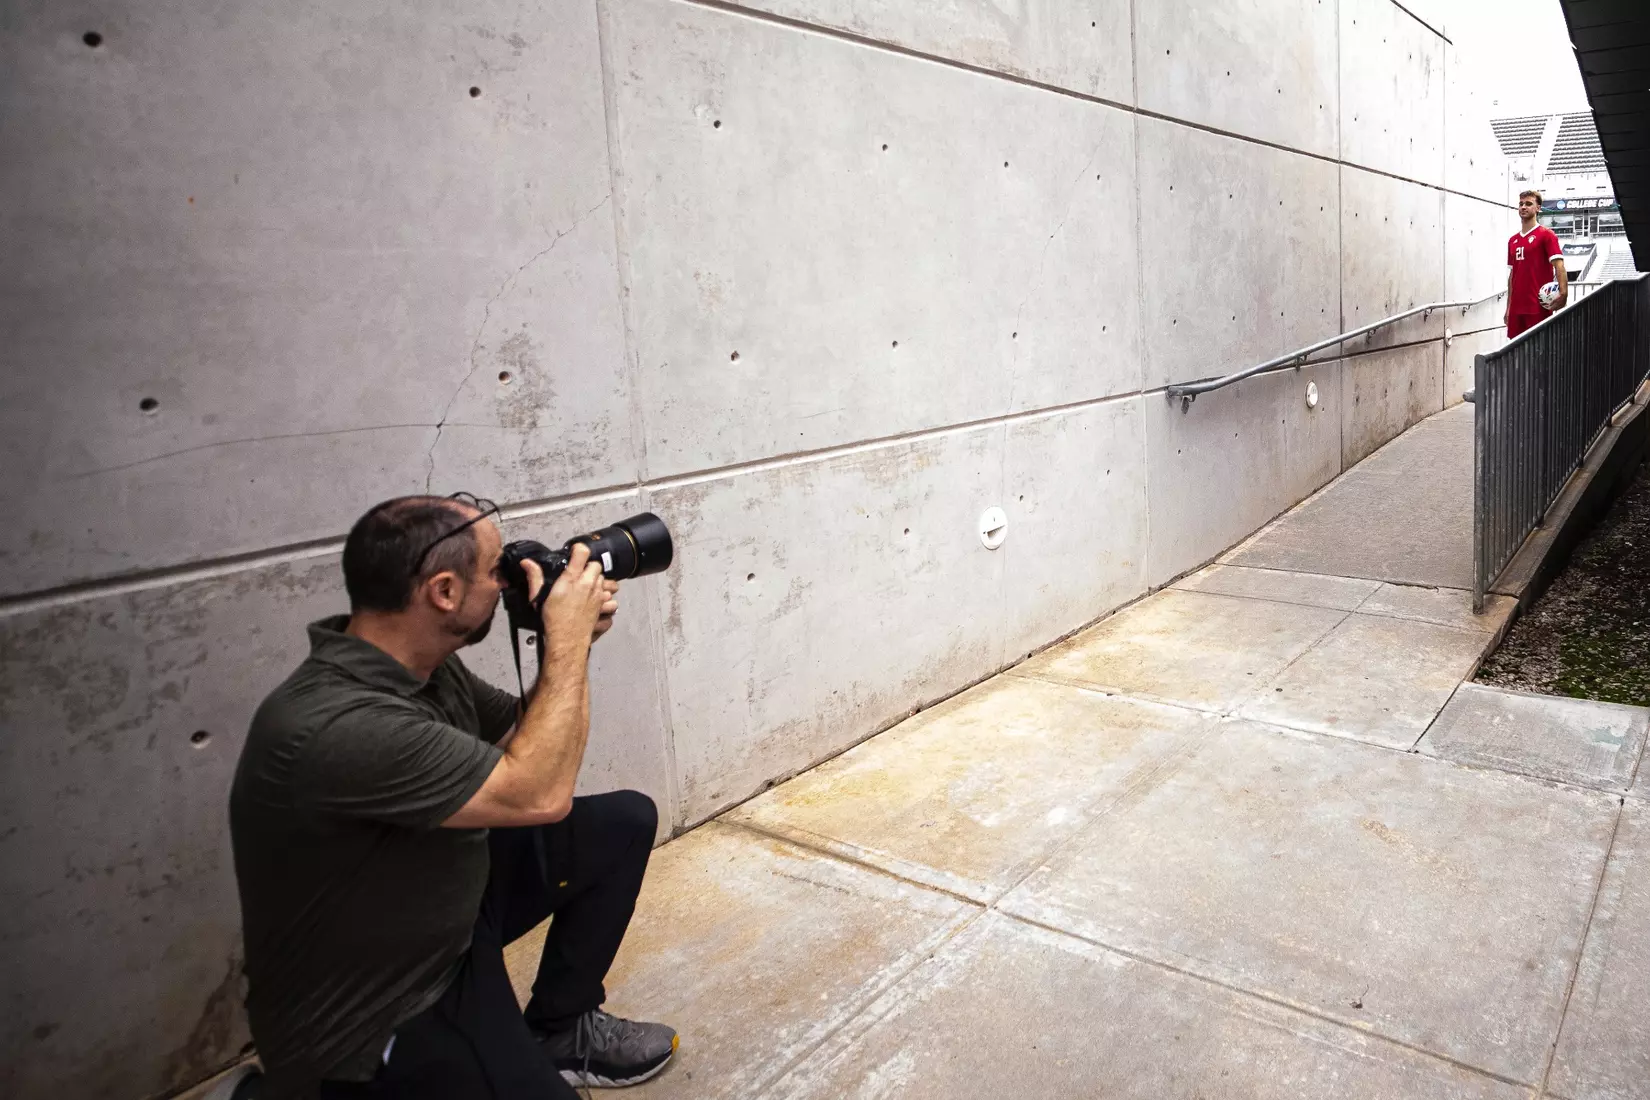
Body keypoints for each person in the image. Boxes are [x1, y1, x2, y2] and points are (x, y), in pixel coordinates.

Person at [225, 492, 677, 1100]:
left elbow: (528, 736)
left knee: (620, 823)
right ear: (443, 592)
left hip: (448, 907)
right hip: (384, 1001)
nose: (511, 578)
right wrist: (567, 644)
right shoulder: (338, 725)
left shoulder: (423, 666)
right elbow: (539, 794)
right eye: (497, 570)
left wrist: (566, 645)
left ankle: (560, 1031)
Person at [1505, 189, 1567, 338]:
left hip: (1537, 307)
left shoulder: (1546, 235)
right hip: (1516, 309)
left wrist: (1564, 293)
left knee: (1538, 351)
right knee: (1515, 353)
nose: (1523, 207)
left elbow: (1559, 266)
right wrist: (1508, 308)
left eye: (1528, 203)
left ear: (1538, 208)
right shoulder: (1512, 240)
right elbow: (1512, 275)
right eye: (1521, 204)